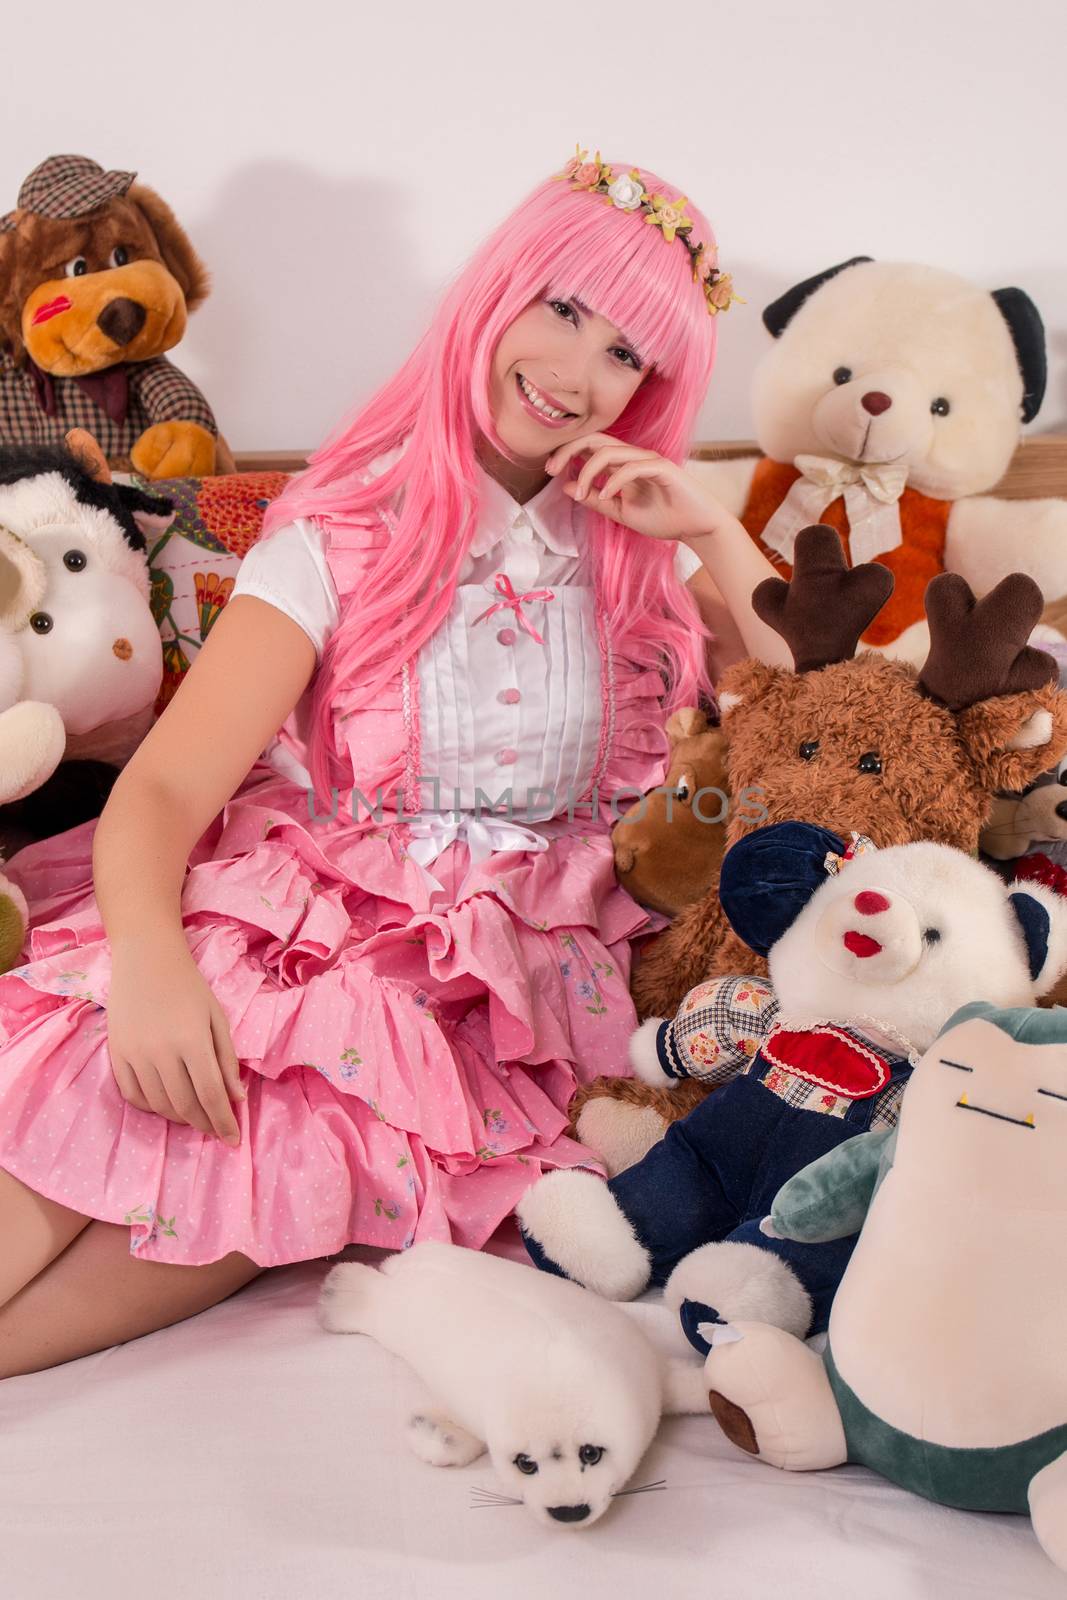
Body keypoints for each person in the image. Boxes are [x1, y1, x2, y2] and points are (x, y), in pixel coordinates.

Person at [0, 150, 790, 1376]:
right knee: (120, 1083)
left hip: (507, 996)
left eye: (627, 353)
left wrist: (718, 533)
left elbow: (833, 711)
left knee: (271, 1162)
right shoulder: (343, 526)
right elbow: (162, 785)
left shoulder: (643, 558)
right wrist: (151, 963)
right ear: (499, 291)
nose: (578, 374)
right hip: (327, 923)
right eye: (563, 311)